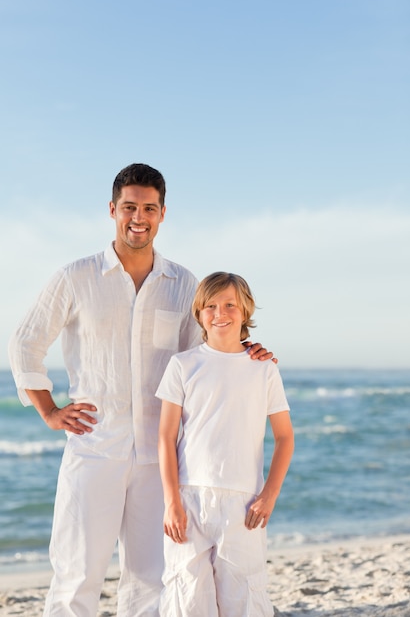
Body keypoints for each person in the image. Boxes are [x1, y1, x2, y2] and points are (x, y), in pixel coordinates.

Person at [8, 164, 276, 617]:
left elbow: (207, 358)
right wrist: (50, 411)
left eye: (148, 208)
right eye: (129, 207)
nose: (139, 217)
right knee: (76, 575)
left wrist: (248, 348)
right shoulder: (76, 277)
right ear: (113, 210)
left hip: (161, 456)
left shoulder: (183, 284)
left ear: (162, 214)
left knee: (152, 581)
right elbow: (25, 342)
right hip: (94, 449)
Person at [156, 271, 294, 617]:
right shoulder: (182, 365)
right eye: (211, 306)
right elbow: (165, 437)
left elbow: (285, 437)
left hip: (244, 502)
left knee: (244, 599)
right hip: (190, 499)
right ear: (199, 313)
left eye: (230, 305)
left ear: (245, 310)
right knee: (186, 598)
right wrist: (172, 501)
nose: (221, 313)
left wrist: (268, 496)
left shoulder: (264, 369)